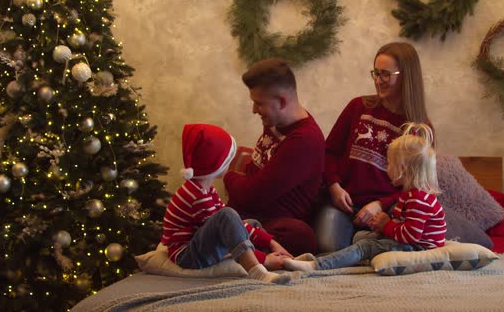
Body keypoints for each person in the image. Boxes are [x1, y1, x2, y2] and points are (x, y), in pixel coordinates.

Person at [315, 42, 434, 253]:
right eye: (376, 73)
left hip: (386, 212)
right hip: (342, 203)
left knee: (371, 249)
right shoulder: (357, 107)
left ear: (406, 76)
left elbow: (418, 183)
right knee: (329, 247)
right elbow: (329, 151)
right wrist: (334, 186)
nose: (379, 81)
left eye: (386, 74)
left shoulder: (418, 127)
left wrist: (380, 204)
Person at [284, 123, 445, 271]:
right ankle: (328, 259)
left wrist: (386, 224)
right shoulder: (409, 194)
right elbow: (402, 223)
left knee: (365, 245)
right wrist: (383, 225)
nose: (386, 168)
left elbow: (411, 236)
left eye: (389, 163)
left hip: (416, 248)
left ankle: (316, 265)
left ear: (402, 169)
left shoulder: (418, 199)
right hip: (406, 241)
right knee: (361, 236)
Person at [161, 124, 292, 284]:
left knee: (249, 223)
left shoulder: (206, 190)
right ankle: (258, 270)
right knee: (228, 216)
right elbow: (224, 228)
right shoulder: (196, 196)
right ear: (216, 164)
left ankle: (277, 258)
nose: (230, 163)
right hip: (187, 255)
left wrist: (272, 242)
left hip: (197, 241)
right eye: (228, 159)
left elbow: (233, 226)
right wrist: (263, 259)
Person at [224, 58, 325, 256]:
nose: (254, 110)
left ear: (281, 101)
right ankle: (231, 238)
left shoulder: (304, 140)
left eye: (258, 103)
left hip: (271, 221)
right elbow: (253, 184)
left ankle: (234, 243)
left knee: (301, 235)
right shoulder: (274, 120)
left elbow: (253, 196)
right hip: (246, 214)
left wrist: (229, 176)